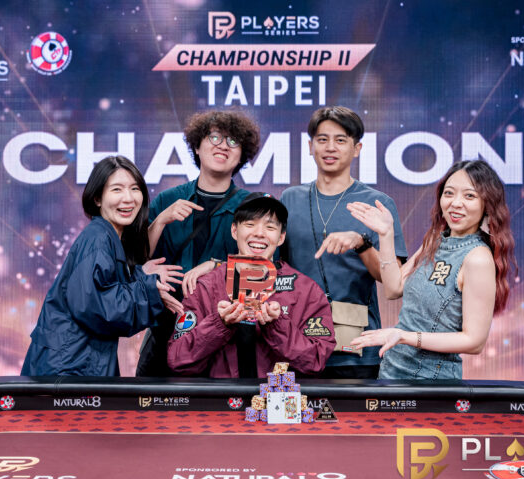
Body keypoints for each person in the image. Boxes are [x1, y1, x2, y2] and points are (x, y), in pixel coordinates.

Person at [347, 159, 516, 380]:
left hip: (432, 383)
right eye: (449, 193)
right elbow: (393, 288)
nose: (456, 203)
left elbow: (474, 341)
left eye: (469, 196)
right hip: (391, 372)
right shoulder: (435, 240)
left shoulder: (477, 258)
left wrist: (405, 337)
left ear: (487, 205)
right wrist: (386, 234)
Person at [21, 156, 182, 376]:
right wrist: (149, 290)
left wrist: (140, 275)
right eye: (117, 190)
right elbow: (99, 307)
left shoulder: (107, 237)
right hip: (70, 368)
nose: (128, 198)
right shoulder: (98, 240)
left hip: (77, 361)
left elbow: (104, 286)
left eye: (135, 189)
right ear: (97, 198)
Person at [280, 106, 407, 379]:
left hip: (356, 347)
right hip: (295, 343)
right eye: (322, 139)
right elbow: (275, 268)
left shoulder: (378, 203)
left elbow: (392, 280)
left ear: (357, 148)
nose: (330, 147)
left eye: (340, 140)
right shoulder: (289, 199)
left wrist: (361, 244)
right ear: (310, 146)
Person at [137, 110, 261, 376]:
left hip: (227, 333)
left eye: (233, 141)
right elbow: (139, 261)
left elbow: (267, 269)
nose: (223, 146)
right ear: (196, 146)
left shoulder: (253, 205)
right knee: (152, 401)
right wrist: (160, 221)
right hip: (168, 326)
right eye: (214, 137)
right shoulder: (167, 199)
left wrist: (216, 265)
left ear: (242, 155)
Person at [167, 193, 336, 378]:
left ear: (281, 238)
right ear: (234, 231)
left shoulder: (306, 290)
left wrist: (277, 325)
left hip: (278, 395)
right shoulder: (206, 287)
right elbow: (178, 361)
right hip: (221, 395)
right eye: (250, 224)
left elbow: (315, 361)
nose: (259, 233)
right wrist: (219, 324)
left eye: (270, 227)